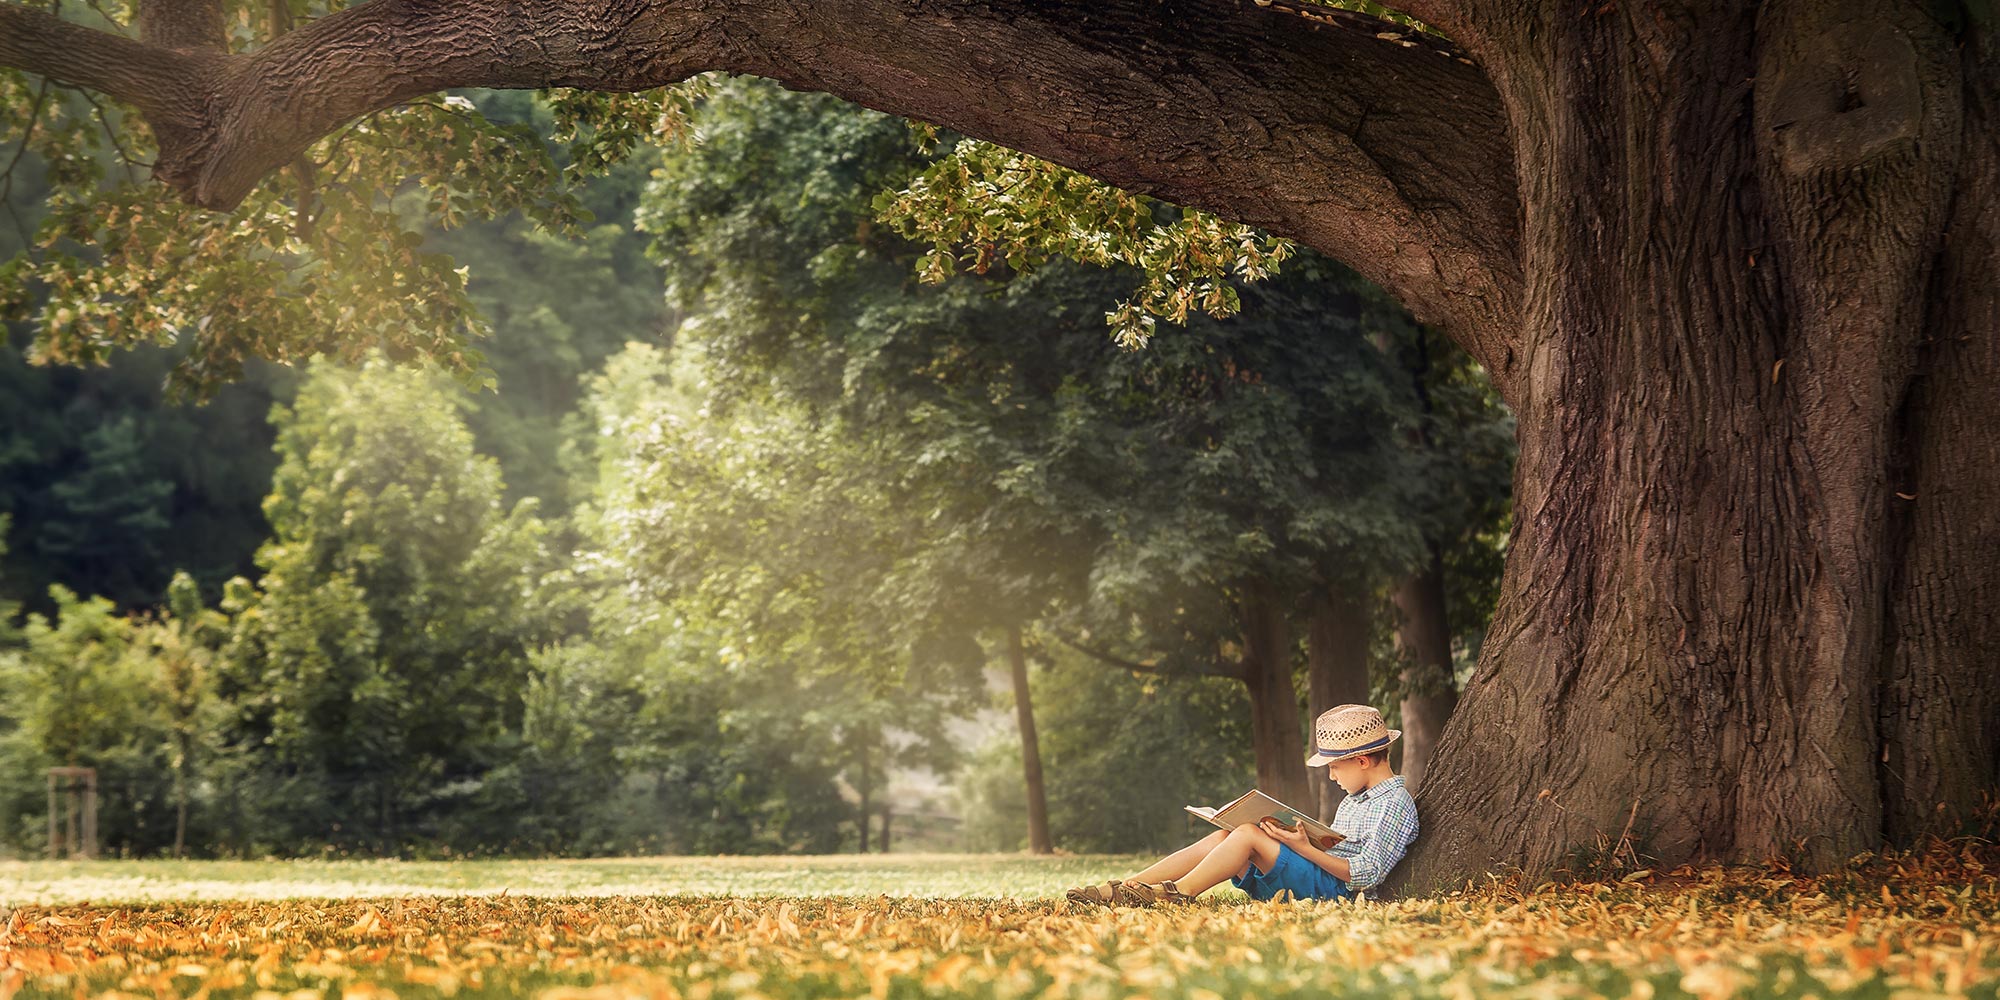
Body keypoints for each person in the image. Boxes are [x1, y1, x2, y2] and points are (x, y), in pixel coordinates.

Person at [1064, 703, 1420, 906]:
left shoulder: (1394, 805)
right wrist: (1298, 838)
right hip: (1319, 875)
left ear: (1361, 761)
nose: (1331, 777)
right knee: (1225, 836)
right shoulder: (1355, 800)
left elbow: (1366, 874)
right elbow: (1336, 848)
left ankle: (1177, 895)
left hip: (1337, 892)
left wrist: (1302, 849)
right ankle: (1127, 888)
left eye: (1334, 767)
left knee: (1248, 834)